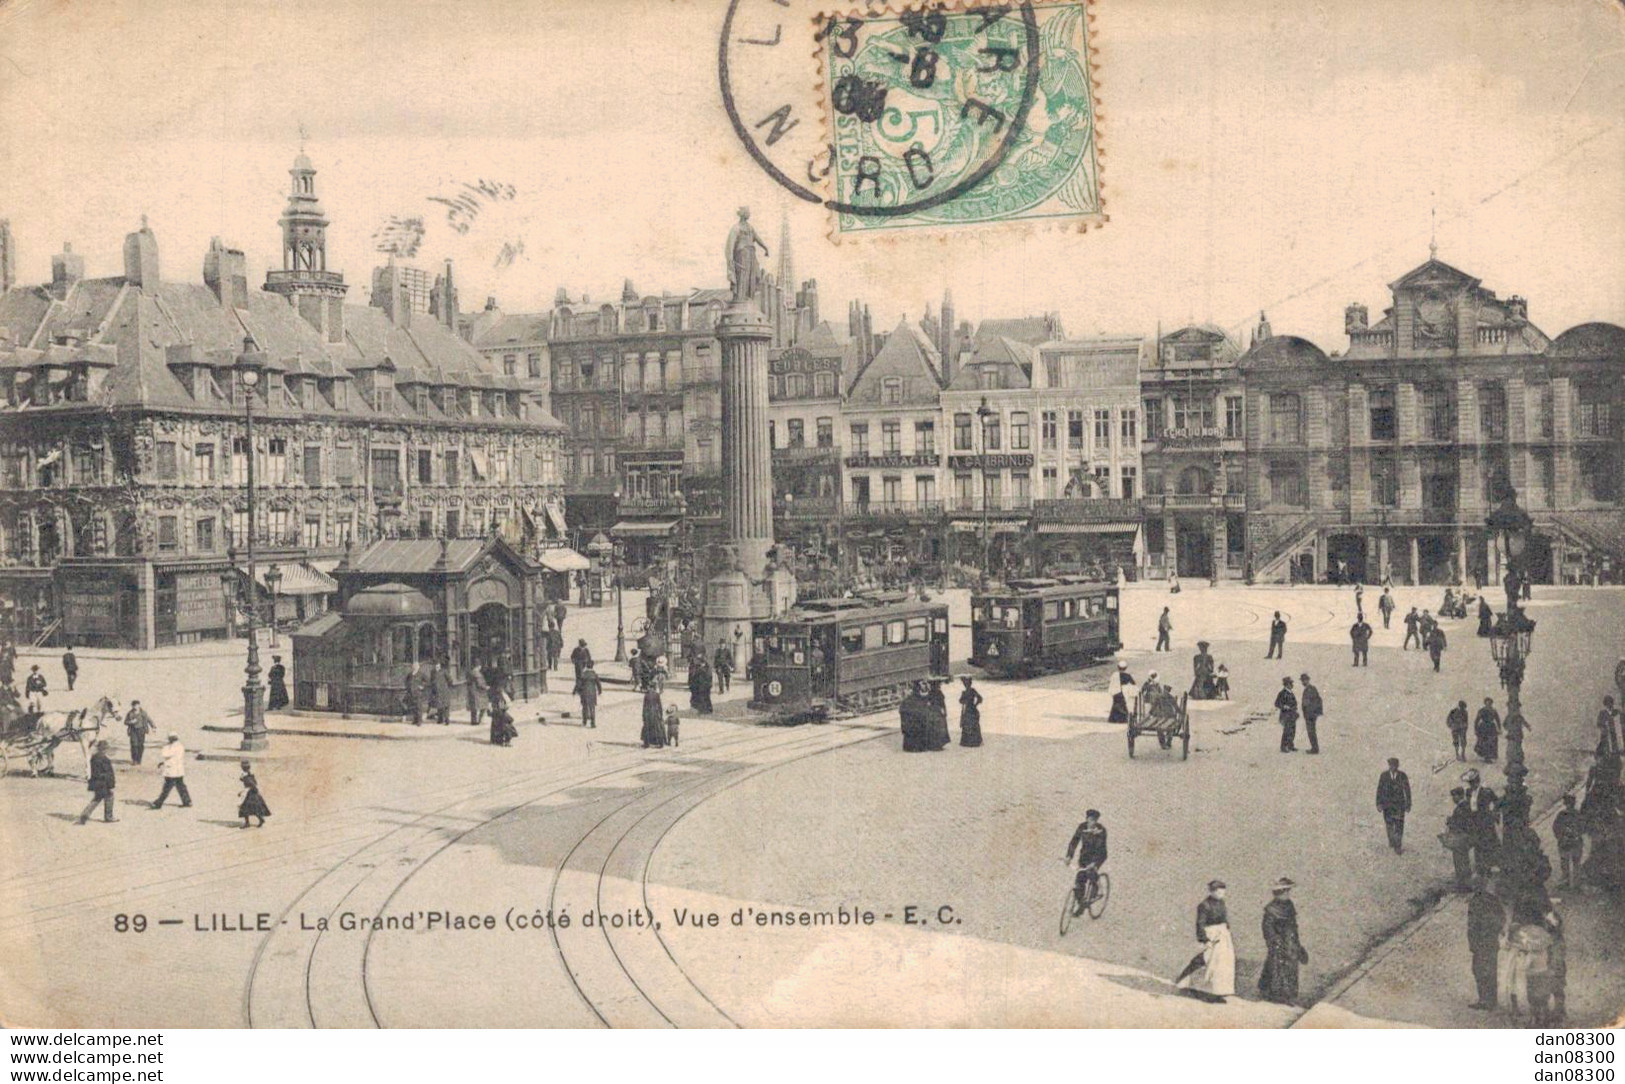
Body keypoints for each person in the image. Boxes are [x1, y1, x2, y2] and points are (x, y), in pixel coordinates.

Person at [1175, 880, 1235, 1003]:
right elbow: (1200, 923)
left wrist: (1226, 928)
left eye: (1223, 892)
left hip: (1222, 935)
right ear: (1212, 892)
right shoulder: (1204, 905)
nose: (1221, 894)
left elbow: (1224, 917)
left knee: (1222, 964)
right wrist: (1204, 939)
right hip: (1211, 934)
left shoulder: (1221, 903)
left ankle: (1217, 991)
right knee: (1208, 962)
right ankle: (1199, 988)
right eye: (1218, 892)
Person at [1258, 877, 1308, 1004]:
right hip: (1278, 942)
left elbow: (1293, 925)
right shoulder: (1271, 909)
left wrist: (1297, 943)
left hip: (1290, 941)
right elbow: (1267, 929)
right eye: (1286, 892)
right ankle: (1276, 994)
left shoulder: (1289, 905)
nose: (1288, 894)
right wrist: (1274, 942)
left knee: (1290, 967)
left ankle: (1288, 994)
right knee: (1277, 967)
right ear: (1279, 893)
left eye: (1288, 892)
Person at [1467, 875, 1505, 1010]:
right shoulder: (1492, 900)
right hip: (1490, 942)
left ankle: (1485, 1000)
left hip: (1481, 942)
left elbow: (1472, 925)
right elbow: (1501, 918)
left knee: (1480, 970)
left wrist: (1474, 942)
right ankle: (1491, 1000)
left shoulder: (1476, 902)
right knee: (1490, 970)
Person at [1064, 810, 1108, 911]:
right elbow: (1074, 841)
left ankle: (1096, 890)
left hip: (1098, 855)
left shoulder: (1101, 831)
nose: (1093, 823)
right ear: (1087, 819)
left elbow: (1101, 849)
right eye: (1091, 820)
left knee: (1091, 873)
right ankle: (1081, 904)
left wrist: (1094, 863)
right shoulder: (1082, 827)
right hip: (1084, 856)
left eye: (1095, 820)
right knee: (1080, 878)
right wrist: (1069, 856)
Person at [1463, 769, 1501, 877]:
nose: (1472, 785)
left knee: (1488, 842)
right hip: (1474, 821)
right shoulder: (1469, 792)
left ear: (1478, 781)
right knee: (1477, 843)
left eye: (1474, 782)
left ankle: (1489, 866)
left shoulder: (1486, 792)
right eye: (1470, 783)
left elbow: (1497, 801)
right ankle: (1480, 867)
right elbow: (1468, 806)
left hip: (1485, 821)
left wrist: (1494, 813)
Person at [1376, 757, 1412, 854]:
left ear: (1397, 766)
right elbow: (1379, 790)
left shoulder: (1402, 776)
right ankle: (1392, 841)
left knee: (1399, 825)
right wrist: (1379, 803)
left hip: (1399, 805)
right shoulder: (1384, 776)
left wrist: (1408, 804)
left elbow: (1407, 790)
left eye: (1395, 765)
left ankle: (1398, 845)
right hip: (1387, 805)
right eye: (1391, 765)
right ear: (1389, 766)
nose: (1393, 767)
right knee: (1389, 824)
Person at [77, 740, 117, 825]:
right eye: (106, 749)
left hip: (96, 783)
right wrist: (110, 783)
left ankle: (84, 816)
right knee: (108, 797)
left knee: (97, 799)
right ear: (104, 749)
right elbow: (107, 773)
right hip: (103, 783)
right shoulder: (104, 759)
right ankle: (108, 816)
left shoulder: (94, 757)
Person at [150, 733, 192, 809]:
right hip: (178, 770)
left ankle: (158, 803)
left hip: (172, 771)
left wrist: (165, 746)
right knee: (181, 786)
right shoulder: (180, 746)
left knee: (167, 788)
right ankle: (187, 801)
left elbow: (165, 754)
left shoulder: (171, 747)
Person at [1444, 787, 1474, 888]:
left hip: (1460, 838)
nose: (1453, 798)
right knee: (1463, 860)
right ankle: (1464, 883)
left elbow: (1460, 823)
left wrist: (1450, 821)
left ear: (1460, 796)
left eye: (1454, 796)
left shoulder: (1461, 807)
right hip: (1463, 838)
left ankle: (1463, 885)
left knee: (1460, 860)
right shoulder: (1465, 806)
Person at [1554, 794, 1585, 889]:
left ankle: (1566, 881)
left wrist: (1560, 837)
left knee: (1566, 862)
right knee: (1575, 862)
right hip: (1574, 841)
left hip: (1566, 842)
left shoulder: (1561, 815)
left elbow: (1556, 827)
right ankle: (1575, 883)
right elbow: (1583, 827)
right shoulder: (1578, 814)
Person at [237, 760, 270, 828]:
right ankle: (259, 820)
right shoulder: (249, 774)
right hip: (252, 793)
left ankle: (249, 823)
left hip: (250, 794)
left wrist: (247, 790)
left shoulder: (246, 776)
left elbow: (252, 784)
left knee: (245, 808)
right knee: (253, 808)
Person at [123, 700, 155, 766]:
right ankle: (134, 760)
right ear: (132, 706)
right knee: (134, 745)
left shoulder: (143, 713)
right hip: (133, 731)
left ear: (139, 705)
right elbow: (125, 722)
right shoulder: (130, 713)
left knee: (140, 746)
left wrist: (153, 726)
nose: (135, 707)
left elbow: (149, 720)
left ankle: (139, 759)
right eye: (134, 705)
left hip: (141, 731)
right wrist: (131, 722)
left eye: (137, 705)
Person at [1299, 674, 1323, 754]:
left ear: (1307, 680)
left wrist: (1313, 712)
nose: (1302, 682)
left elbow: (1314, 702)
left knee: (1311, 731)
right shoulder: (1311, 689)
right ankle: (1314, 747)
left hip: (1310, 714)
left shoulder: (1310, 689)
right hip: (1311, 714)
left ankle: (1314, 748)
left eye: (1303, 680)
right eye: (1302, 681)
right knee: (1311, 731)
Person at [1274, 677, 1299, 753]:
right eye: (1290, 683)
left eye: (1291, 683)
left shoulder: (1291, 693)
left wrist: (1295, 709)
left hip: (1292, 715)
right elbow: (1277, 703)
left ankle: (1290, 745)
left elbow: (1295, 703)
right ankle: (1283, 747)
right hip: (1286, 715)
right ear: (1286, 684)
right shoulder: (1282, 693)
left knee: (1292, 730)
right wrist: (1284, 706)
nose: (1292, 685)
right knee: (1286, 731)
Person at [488, 682, 517, 746]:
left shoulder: (494, 694)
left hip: (499, 713)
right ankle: (503, 741)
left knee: (500, 726)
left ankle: (499, 740)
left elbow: (489, 705)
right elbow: (508, 703)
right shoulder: (501, 695)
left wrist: (491, 710)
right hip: (499, 712)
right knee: (502, 726)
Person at [958, 676, 984, 747]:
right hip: (972, 709)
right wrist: (975, 704)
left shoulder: (966, 692)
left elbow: (960, 701)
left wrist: (966, 701)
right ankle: (975, 741)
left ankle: (967, 741)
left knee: (968, 724)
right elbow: (980, 698)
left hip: (968, 709)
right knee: (972, 724)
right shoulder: (972, 691)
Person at [1474, 697, 1501, 763]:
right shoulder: (1482, 710)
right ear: (1485, 703)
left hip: (1491, 727)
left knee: (1492, 742)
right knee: (1483, 742)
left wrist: (1499, 728)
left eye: (1490, 703)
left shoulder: (1494, 711)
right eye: (1487, 702)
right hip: (1483, 727)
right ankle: (1486, 757)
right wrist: (1476, 729)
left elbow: (1498, 720)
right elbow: (1477, 720)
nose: (1488, 704)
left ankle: (1489, 756)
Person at [575, 662, 602, 728]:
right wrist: (599, 691)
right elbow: (598, 684)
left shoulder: (583, 674)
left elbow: (578, 684)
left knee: (584, 707)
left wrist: (576, 691)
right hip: (592, 693)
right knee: (592, 707)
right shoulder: (594, 674)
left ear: (586, 666)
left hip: (584, 692)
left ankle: (584, 721)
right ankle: (593, 723)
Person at [640, 684, 667, 748]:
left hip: (648, 713)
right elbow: (660, 705)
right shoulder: (657, 695)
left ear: (650, 687)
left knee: (647, 727)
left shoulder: (646, 695)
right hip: (655, 712)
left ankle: (647, 743)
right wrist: (660, 714)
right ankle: (660, 743)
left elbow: (644, 706)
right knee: (657, 727)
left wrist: (643, 715)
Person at [429, 661, 454, 725]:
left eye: (437, 665)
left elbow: (450, 680)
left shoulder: (444, 671)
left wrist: (447, 687)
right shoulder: (433, 672)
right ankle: (440, 719)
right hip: (436, 691)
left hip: (444, 691)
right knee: (439, 706)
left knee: (446, 706)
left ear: (440, 665)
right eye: (435, 665)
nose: (436, 667)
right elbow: (431, 680)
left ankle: (447, 719)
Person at [404, 661, 426, 726]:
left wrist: (422, 686)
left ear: (418, 667)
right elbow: (406, 681)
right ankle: (415, 720)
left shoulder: (421, 674)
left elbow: (427, 681)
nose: (415, 667)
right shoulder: (410, 674)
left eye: (416, 666)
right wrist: (407, 687)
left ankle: (419, 721)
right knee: (413, 707)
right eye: (414, 666)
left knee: (419, 707)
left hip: (418, 693)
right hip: (411, 693)